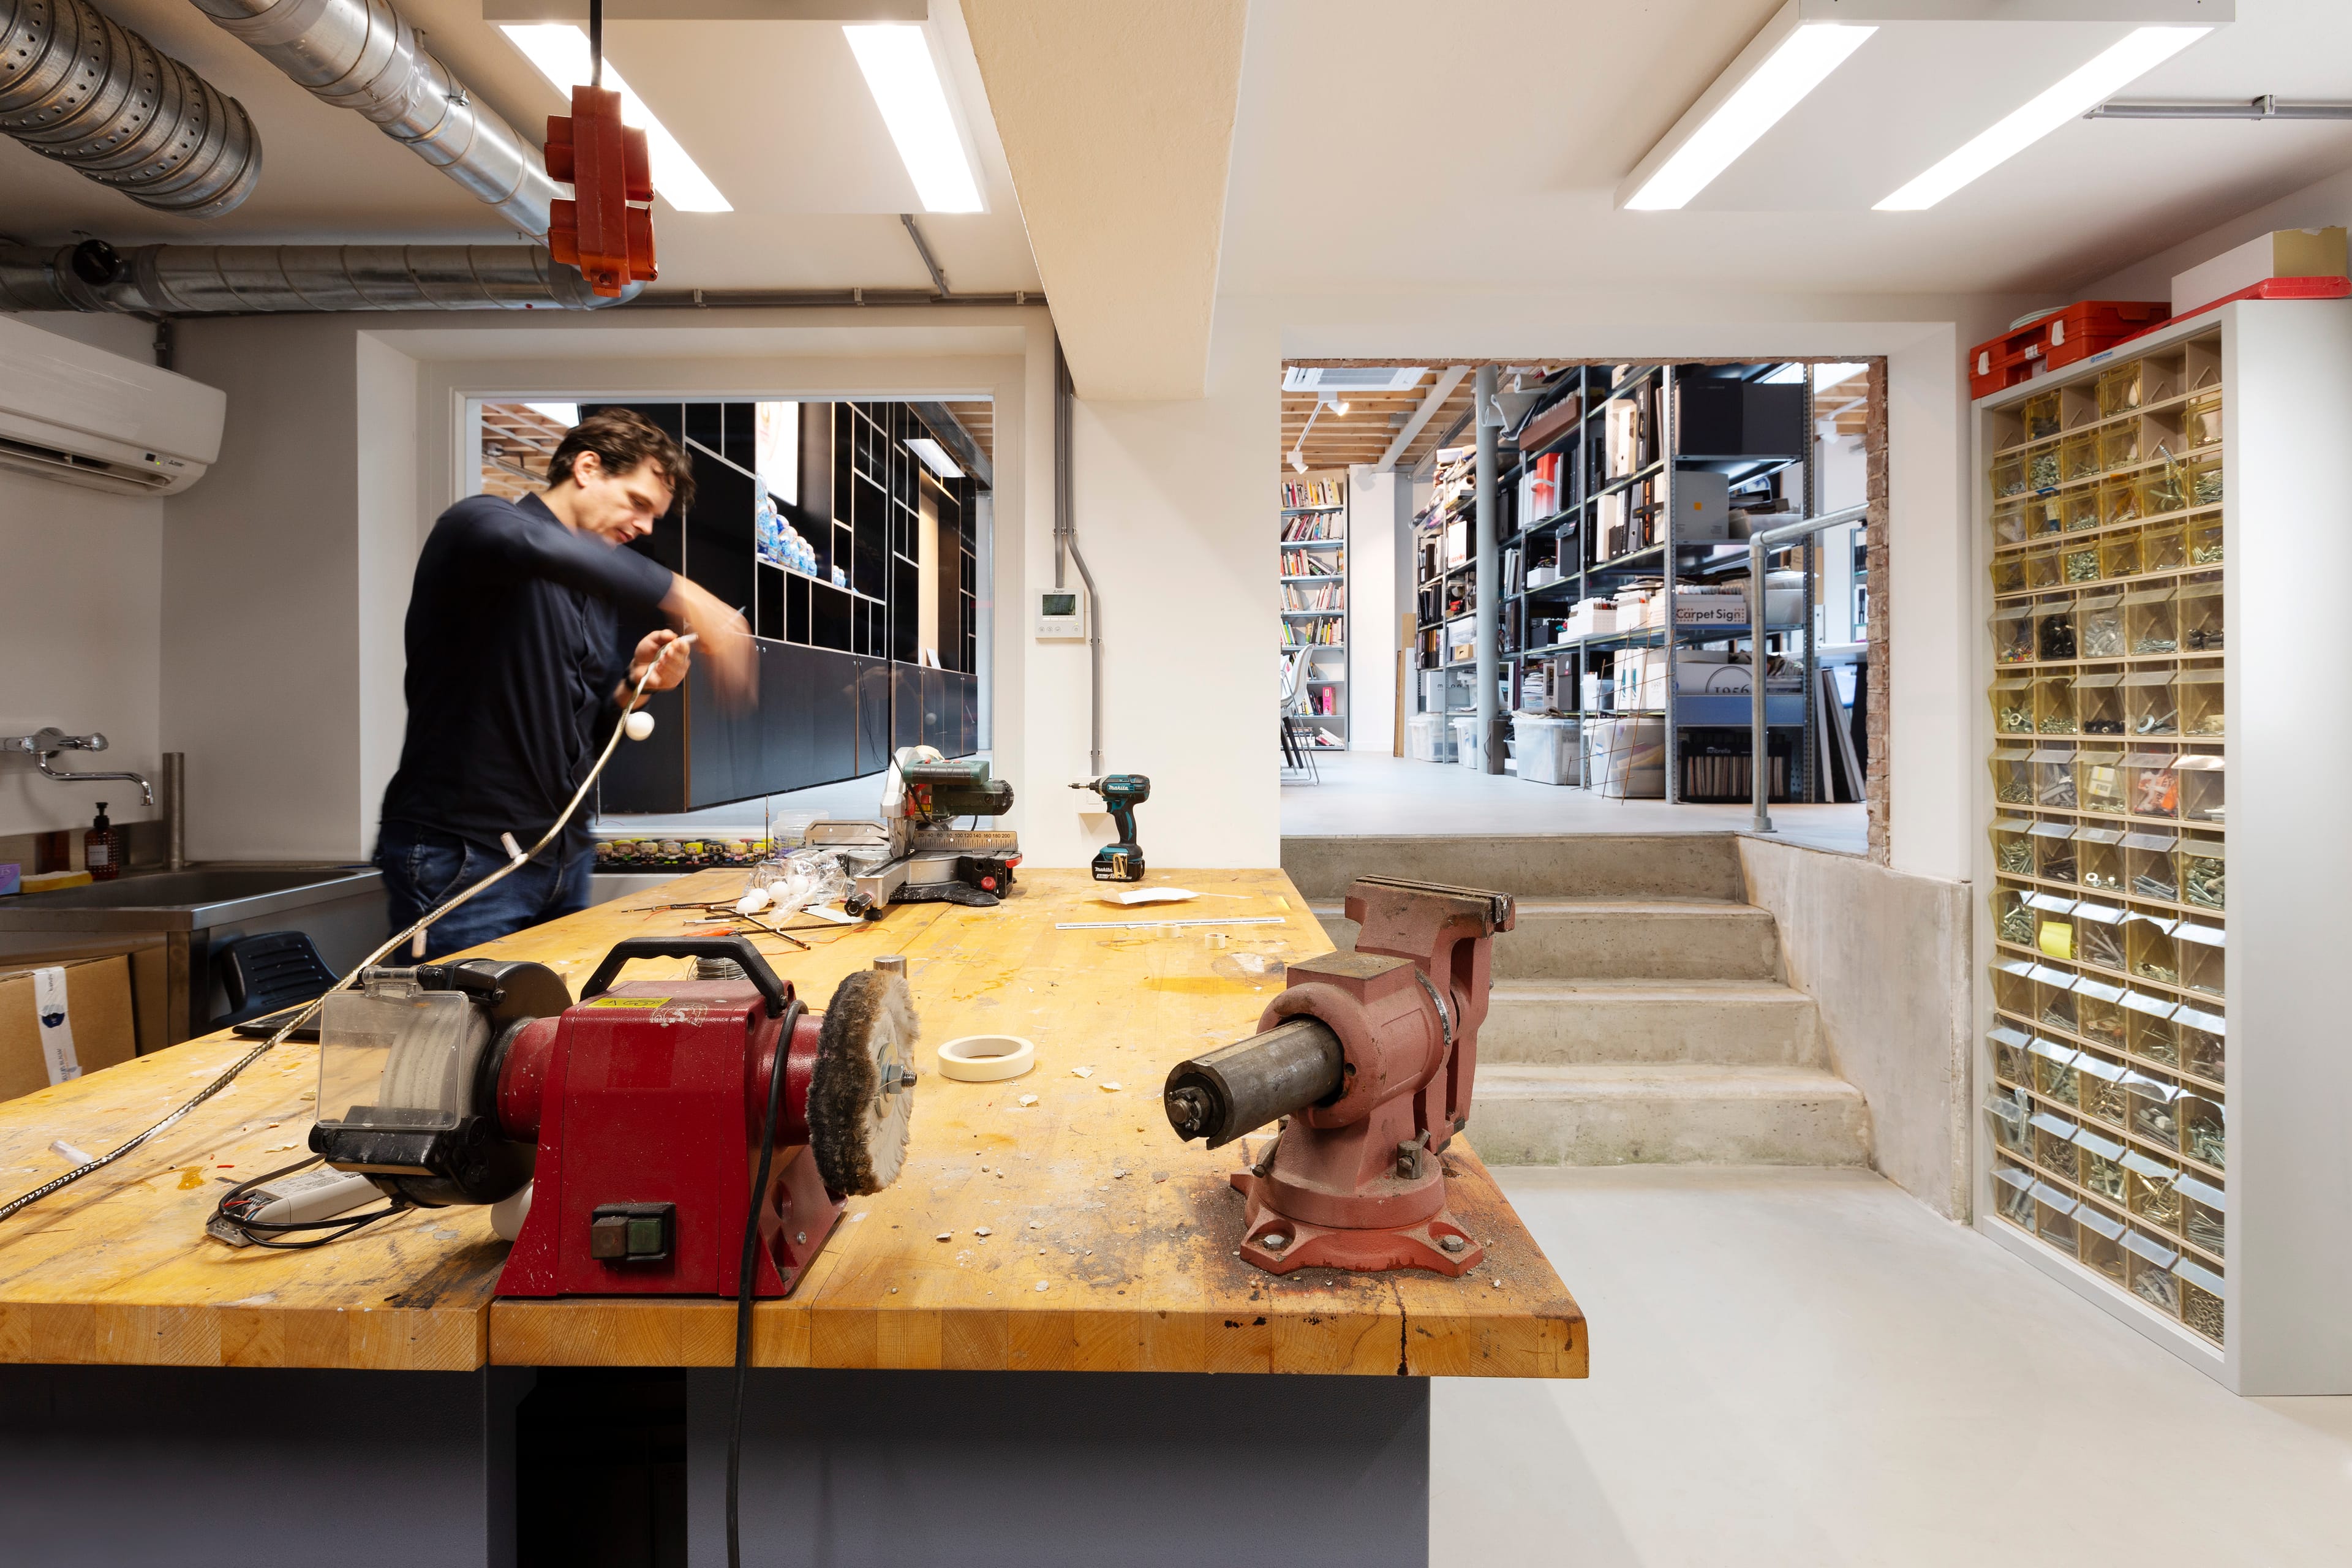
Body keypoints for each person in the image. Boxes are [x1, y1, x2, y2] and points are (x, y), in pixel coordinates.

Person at [375, 408, 755, 956]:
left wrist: (634, 685)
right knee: (455, 1037)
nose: (646, 527)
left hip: (560, 853)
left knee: (551, 1036)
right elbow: (529, 545)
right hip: (464, 857)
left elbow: (581, 735)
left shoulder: (594, 588)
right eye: (639, 503)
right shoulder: (481, 527)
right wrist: (681, 591)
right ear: (587, 467)